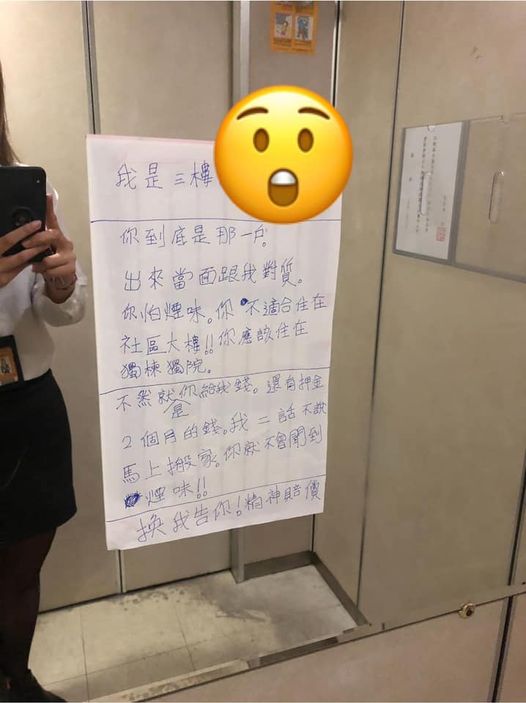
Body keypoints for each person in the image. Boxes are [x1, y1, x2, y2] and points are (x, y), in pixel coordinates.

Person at [0, 62, 87, 702]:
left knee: (22, 570)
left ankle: (17, 681)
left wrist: (61, 283)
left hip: (29, 408)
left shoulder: (27, 188)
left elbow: (63, 311)